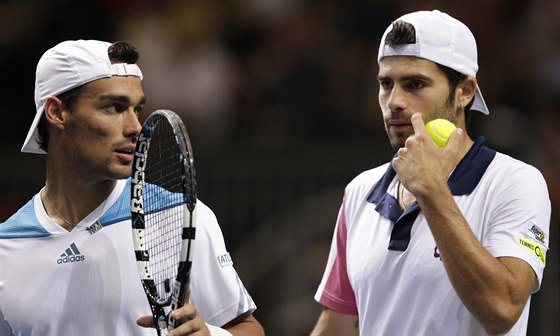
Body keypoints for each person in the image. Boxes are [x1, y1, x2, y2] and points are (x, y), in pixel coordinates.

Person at [0, 40, 264, 336]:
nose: (135, 127)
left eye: (137, 109)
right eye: (114, 107)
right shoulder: (6, 249)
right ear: (57, 112)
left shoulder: (182, 217)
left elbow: (247, 329)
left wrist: (209, 335)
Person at [311, 10, 550, 336]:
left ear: (464, 91)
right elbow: (336, 326)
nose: (394, 101)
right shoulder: (359, 191)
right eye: (386, 84)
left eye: (415, 84)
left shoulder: (515, 182)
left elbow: (502, 310)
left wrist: (432, 190)